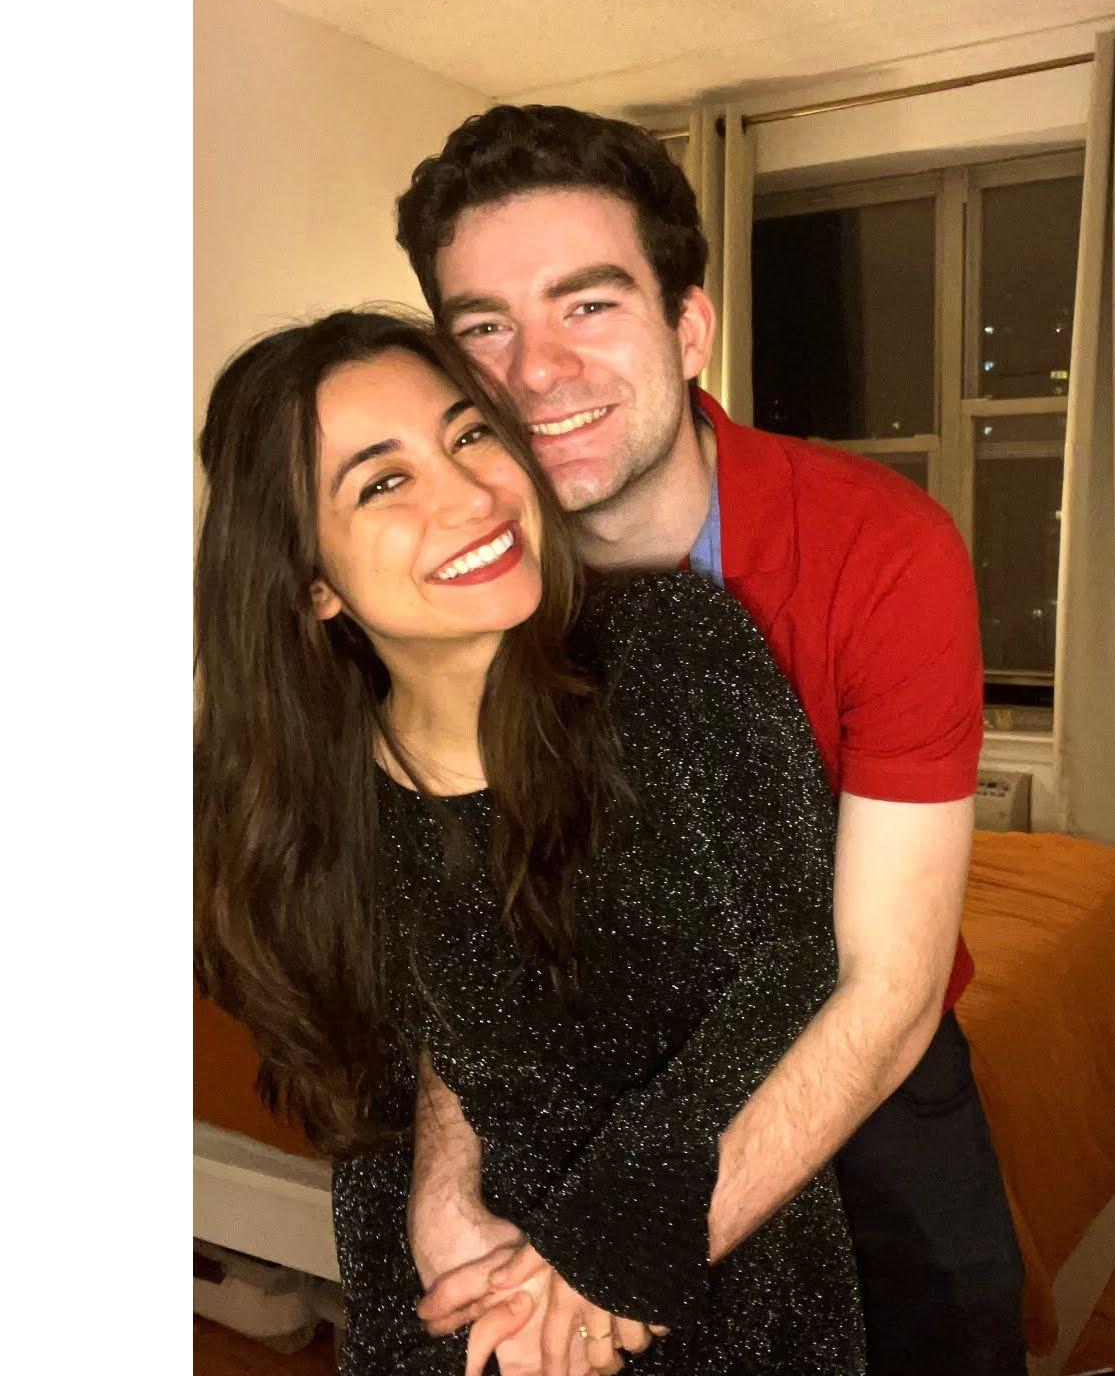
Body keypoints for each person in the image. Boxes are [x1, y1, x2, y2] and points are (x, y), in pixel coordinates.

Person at [398, 106, 1028, 1376]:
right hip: (589, 1054)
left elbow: (887, 982)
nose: (536, 371)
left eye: (587, 305)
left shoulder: (880, 547)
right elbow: (474, 921)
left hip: (859, 1060)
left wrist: (626, 1250)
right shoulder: (466, 583)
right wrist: (444, 1169)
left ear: (688, 329)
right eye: (484, 328)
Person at [192, 310, 866, 1374]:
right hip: (462, 1307)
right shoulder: (295, 814)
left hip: (729, 1291)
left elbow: (803, 958)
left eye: (470, 434)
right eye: (383, 482)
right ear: (310, 581)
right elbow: (375, 1084)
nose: (472, 495)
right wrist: (441, 1196)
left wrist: (610, 1240)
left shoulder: (673, 650)